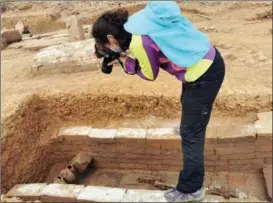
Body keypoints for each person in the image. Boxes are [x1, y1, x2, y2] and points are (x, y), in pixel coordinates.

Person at [92, 1, 225, 202]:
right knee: (188, 104)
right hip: (202, 59)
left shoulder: (139, 42)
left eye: (106, 45)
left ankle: (191, 190)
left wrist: (127, 62)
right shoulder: (139, 21)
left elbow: (149, 73)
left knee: (191, 136)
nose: (108, 49)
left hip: (204, 74)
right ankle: (190, 125)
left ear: (111, 38)